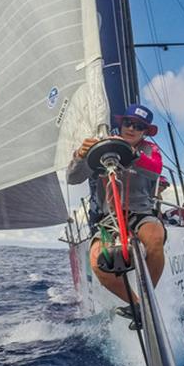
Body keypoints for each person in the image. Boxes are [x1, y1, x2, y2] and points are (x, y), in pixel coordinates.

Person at [67, 104, 165, 329]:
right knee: (98, 262)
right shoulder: (101, 148)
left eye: (138, 126)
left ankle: (148, 298)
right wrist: (81, 156)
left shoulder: (149, 151)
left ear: (145, 131)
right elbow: (73, 178)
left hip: (141, 214)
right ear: (120, 123)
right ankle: (139, 305)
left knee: (154, 238)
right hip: (108, 219)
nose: (131, 128)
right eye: (128, 123)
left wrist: (127, 153)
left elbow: (155, 169)